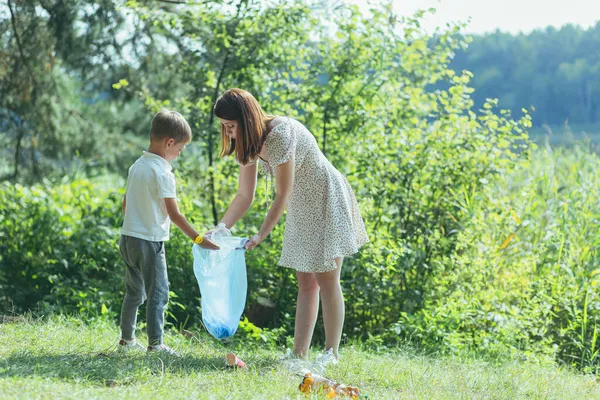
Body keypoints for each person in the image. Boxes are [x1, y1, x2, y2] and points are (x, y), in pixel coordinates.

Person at [212, 88, 368, 364]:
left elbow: (282, 193)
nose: (229, 134)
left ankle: (331, 353)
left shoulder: (280, 135)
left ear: (247, 120)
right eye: (225, 128)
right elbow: (244, 195)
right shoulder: (249, 144)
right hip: (301, 206)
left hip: (325, 196)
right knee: (305, 281)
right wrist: (221, 227)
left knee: (327, 278)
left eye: (231, 126)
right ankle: (299, 354)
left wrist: (261, 234)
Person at [118, 109, 219, 355]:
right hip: (150, 243)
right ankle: (155, 344)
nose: (178, 155)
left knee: (134, 293)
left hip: (128, 238)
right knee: (158, 294)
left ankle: (127, 340)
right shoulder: (163, 173)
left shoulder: (136, 166)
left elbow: (125, 204)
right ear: (169, 143)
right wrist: (198, 239)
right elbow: (174, 215)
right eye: (180, 150)